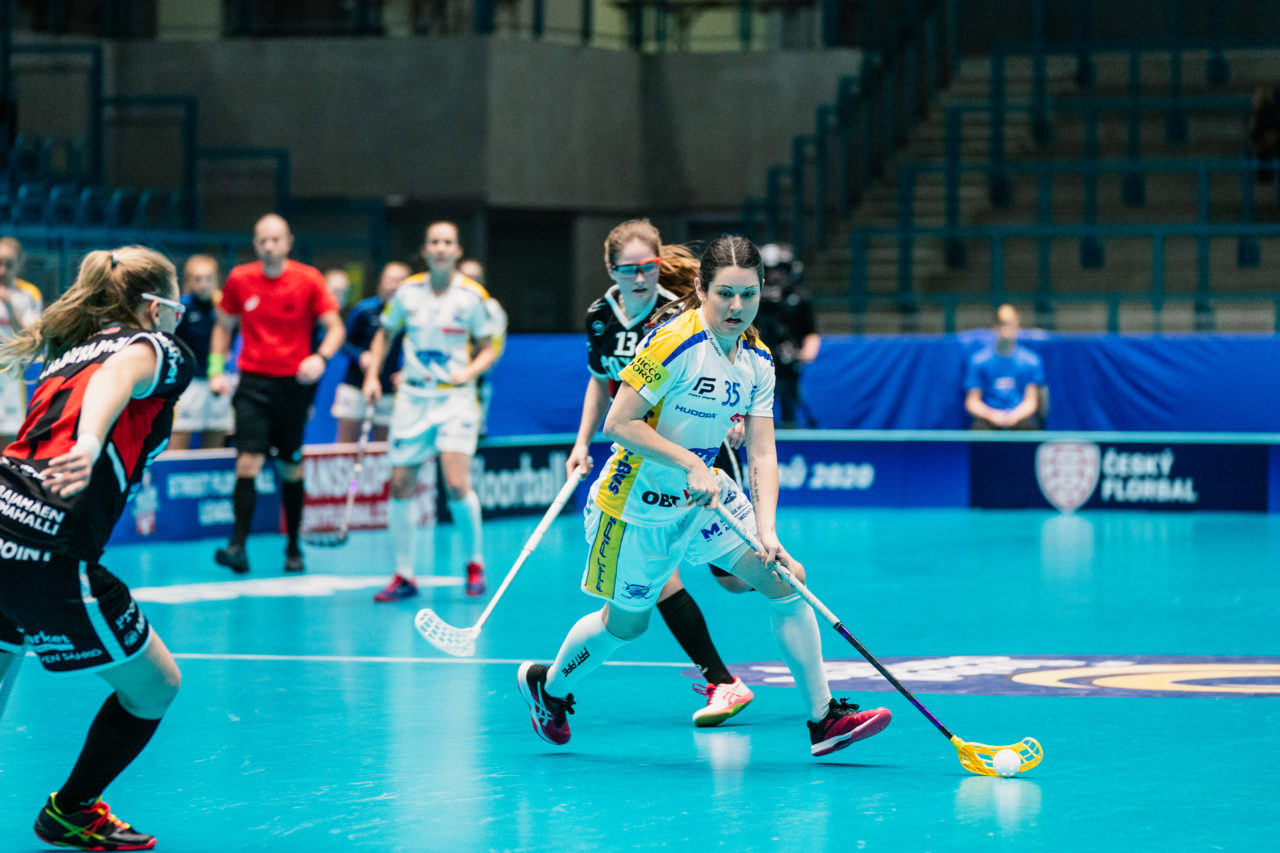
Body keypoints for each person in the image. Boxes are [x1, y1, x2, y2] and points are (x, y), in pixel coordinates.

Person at [520, 234, 892, 756]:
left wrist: (767, 530)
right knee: (626, 625)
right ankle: (549, 686)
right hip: (634, 506)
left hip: (702, 500)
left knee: (786, 579)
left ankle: (823, 718)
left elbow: (762, 452)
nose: (736, 307)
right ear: (701, 289)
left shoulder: (757, 360)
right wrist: (692, 462)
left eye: (748, 294)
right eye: (725, 294)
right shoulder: (673, 344)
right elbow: (619, 423)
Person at [0, 246, 192, 850]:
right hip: (46, 543)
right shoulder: (156, 347)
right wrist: (89, 442)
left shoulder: (66, 353)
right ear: (155, 307)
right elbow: (119, 375)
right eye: (177, 304)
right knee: (156, 686)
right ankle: (72, 810)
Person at [564, 219, 754, 727]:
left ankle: (775, 581)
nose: (640, 278)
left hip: (702, 459)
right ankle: (722, 681)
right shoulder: (600, 318)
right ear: (611, 269)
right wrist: (581, 444)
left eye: (648, 267)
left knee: (734, 582)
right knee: (660, 577)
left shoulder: (682, 311)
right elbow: (600, 382)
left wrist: (736, 416)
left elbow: (729, 363)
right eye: (628, 269)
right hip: (645, 464)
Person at [363, 221, 494, 601]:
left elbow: (488, 347)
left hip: (455, 398)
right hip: (412, 399)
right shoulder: (407, 292)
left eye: (447, 242)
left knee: (455, 484)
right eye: (434, 242)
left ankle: (474, 563)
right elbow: (385, 333)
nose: (440, 248)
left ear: (457, 251)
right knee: (400, 484)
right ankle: (404, 575)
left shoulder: (472, 296)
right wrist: (372, 376)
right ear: (426, 250)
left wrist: (469, 371)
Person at [209, 213, 345, 574]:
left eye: (275, 240)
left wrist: (320, 357)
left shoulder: (308, 279)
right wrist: (215, 370)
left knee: (290, 467)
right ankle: (237, 547)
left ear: (288, 242)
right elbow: (223, 327)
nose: (269, 247)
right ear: (255, 244)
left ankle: (294, 547)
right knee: (247, 461)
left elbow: (335, 328)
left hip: (293, 386)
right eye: (262, 241)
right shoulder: (240, 279)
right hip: (252, 384)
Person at [332, 261, 410, 443]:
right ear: (381, 282)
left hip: (389, 390)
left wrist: (406, 372)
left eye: (400, 281)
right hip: (355, 386)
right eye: (390, 280)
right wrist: (361, 355)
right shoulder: (364, 310)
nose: (394, 286)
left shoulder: (412, 316)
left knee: (382, 448)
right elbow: (344, 342)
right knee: (346, 446)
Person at [170, 254, 233, 450]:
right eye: (197, 279)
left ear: (217, 280)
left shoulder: (225, 307)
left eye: (208, 279)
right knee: (177, 447)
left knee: (214, 448)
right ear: (189, 281)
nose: (203, 284)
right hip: (188, 385)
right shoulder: (181, 307)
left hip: (218, 382)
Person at [754, 243, 820, 428]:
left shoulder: (800, 298)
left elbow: (810, 332)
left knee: (789, 403)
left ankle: (790, 434)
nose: (774, 276)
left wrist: (805, 353)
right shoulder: (749, 298)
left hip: (787, 363)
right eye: (769, 271)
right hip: (756, 361)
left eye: (779, 270)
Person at [964, 304, 1045, 430]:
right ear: (994, 327)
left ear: (1017, 326)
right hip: (988, 420)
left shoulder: (1031, 361)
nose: (1006, 328)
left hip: (1020, 420)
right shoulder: (978, 361)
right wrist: (992, 415)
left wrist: (1015, 416)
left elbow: (1031, 401)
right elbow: (972, 402)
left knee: (1030, 426)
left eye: (1010, 323)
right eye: (1002, 323)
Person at [458, 258, 506, 437]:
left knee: (472, 434)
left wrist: (471, 370)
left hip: (475, 382)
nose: (471, 282)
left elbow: (493, 348)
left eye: (475, 278)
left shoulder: (491, 308)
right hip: (440, 383)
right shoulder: (444, 303)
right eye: (466, 277)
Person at [0, 237, 41, 447]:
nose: (3, 270)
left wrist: (8, 302)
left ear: (19, 264)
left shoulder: (29, 294)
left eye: (9, 264)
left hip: (13, 376)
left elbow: (30, 337)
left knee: (10, 438)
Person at [1249, 85, 1280, 183]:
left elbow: (1270, 133)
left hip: (1267, 146)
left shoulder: (1267, 111)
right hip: (1264, 146)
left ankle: (1265, 178)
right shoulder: (1262, 111)